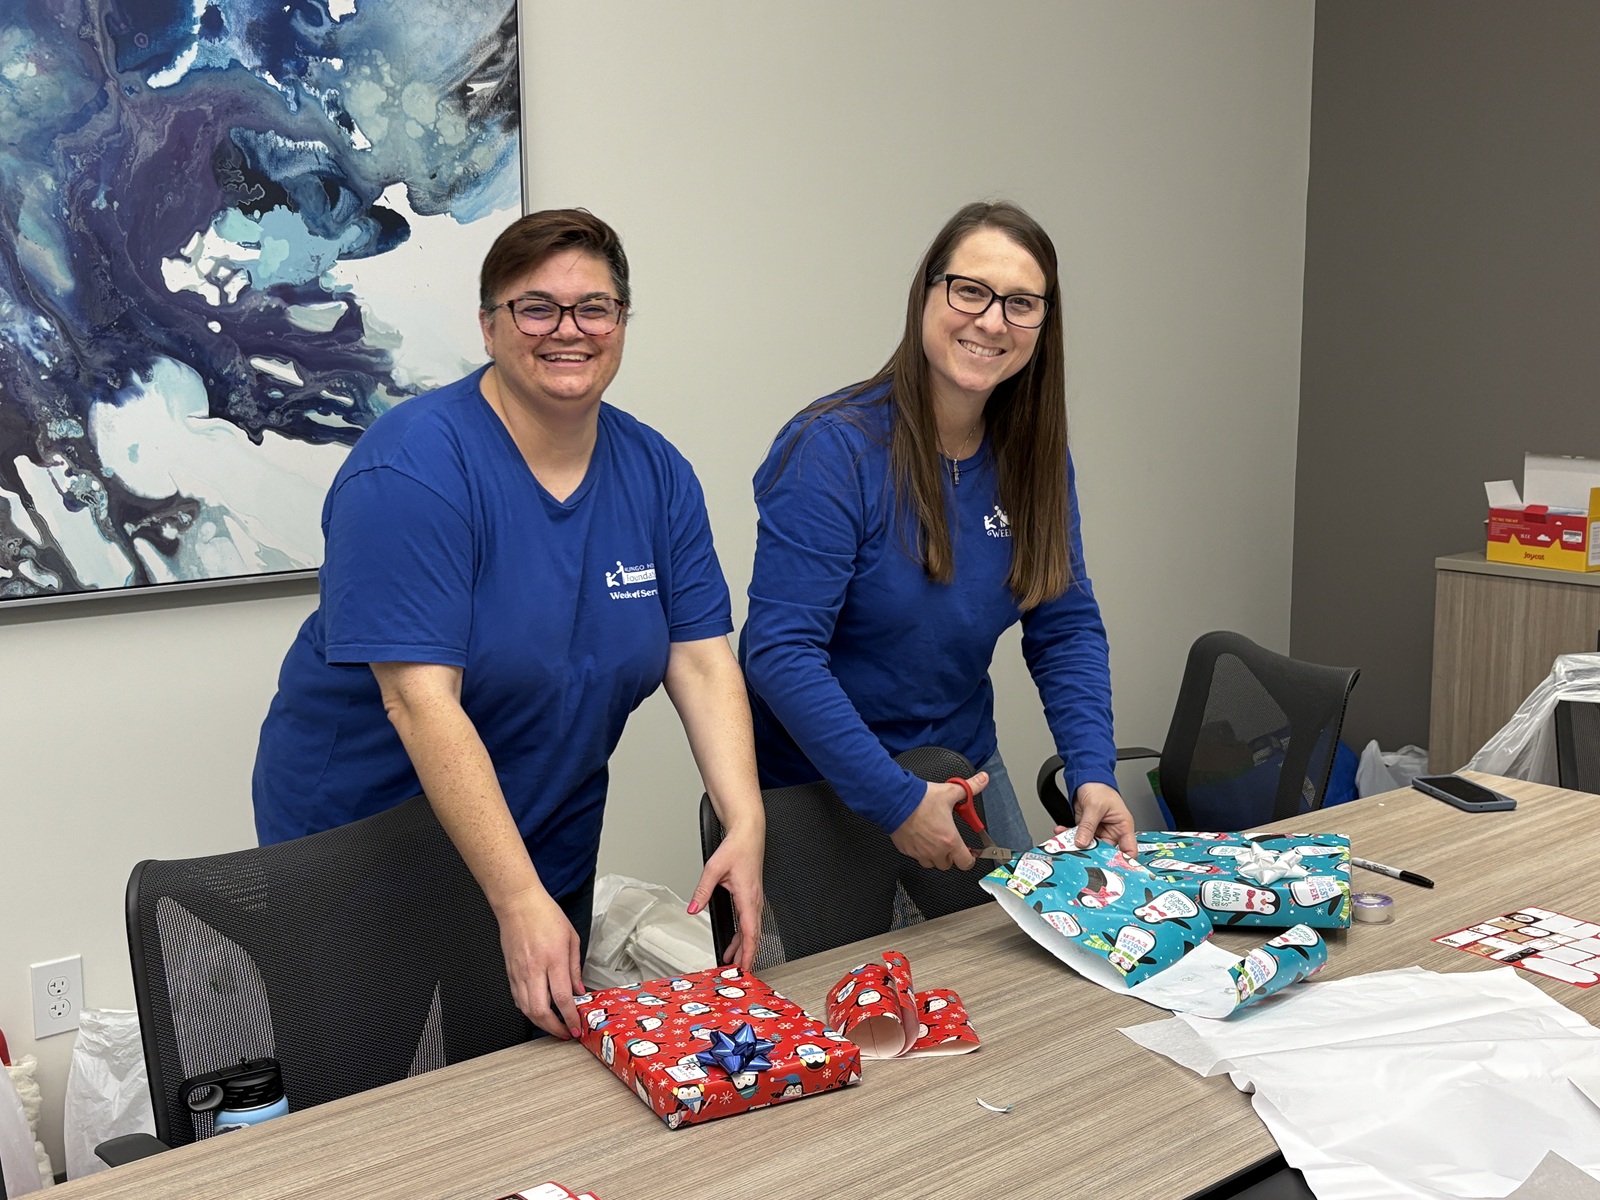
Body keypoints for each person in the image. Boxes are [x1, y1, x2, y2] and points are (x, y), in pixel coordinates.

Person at [252, 209, 764, 1039]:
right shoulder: (412, 470)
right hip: (370, 844)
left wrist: (744, 818)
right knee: (376, 1087)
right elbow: (421, 703)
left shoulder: (656, 473)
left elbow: (702, 662)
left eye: (594, 308)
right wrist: (516, 897)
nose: (569, 330)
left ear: (621, 323)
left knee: (528, 1076)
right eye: (536, 308)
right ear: (489, 327)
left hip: (546, 829)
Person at [741, 200, 1134, 876]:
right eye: (970, 291)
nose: (992, 321)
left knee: (1014, 947)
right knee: (855, 955)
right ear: (925, 294)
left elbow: (1064, 626)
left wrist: (1092, 770)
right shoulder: (832, 450)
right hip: (821, 780)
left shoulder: (1033, 460)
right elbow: (781, 653)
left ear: (1043, 325)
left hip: (961, 765)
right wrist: (895, 801)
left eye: (1021, 303)